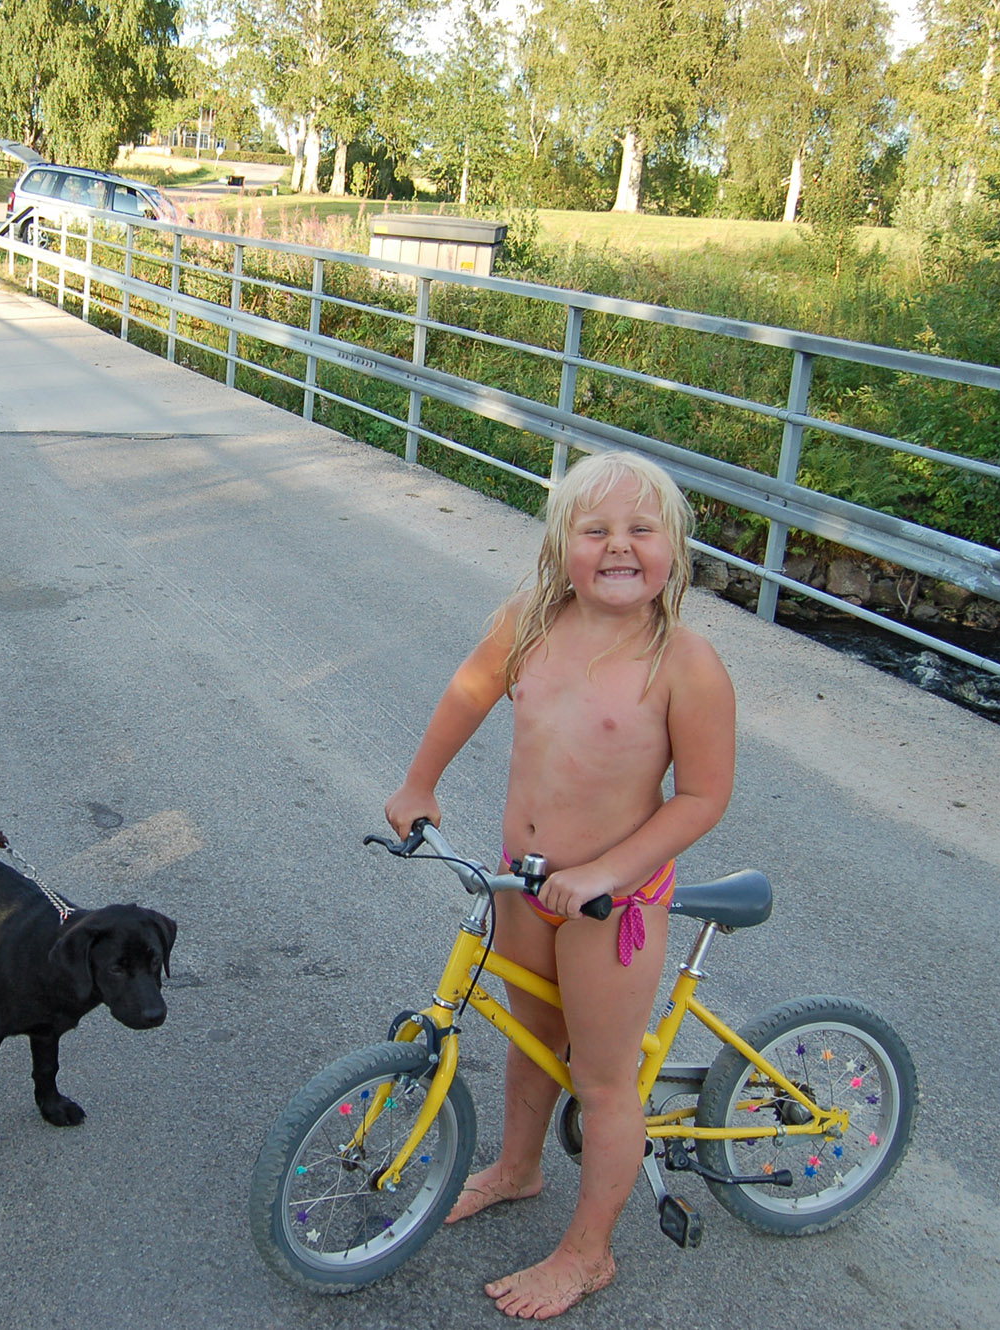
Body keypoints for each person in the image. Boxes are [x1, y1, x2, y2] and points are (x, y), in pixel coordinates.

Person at [384, 450, 736, 1319]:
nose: (620, 547)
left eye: (641, 530)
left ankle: (587, 1256)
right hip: (523, 883)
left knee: (605, 1079)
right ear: (561, 547)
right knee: (531, 1039)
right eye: (597, 530)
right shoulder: (529, 623)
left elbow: (703, 796)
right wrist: (419, 781)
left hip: (611, 903)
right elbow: (469, 692)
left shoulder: (684, 663)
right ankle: (518, 1168)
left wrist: (608, 872)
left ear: (674, 549)